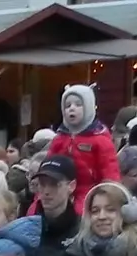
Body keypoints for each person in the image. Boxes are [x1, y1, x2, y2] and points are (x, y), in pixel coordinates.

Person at [48, 84, 121, 212]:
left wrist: (110, 196)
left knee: (79, 214)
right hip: (60, 189)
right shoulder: (59, 138)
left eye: (78, 104)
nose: (72, 108)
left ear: (88, 107)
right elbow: (49, 164)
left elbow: (109, 171)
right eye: (67, 105)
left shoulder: (100, 139)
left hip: (89, 192)